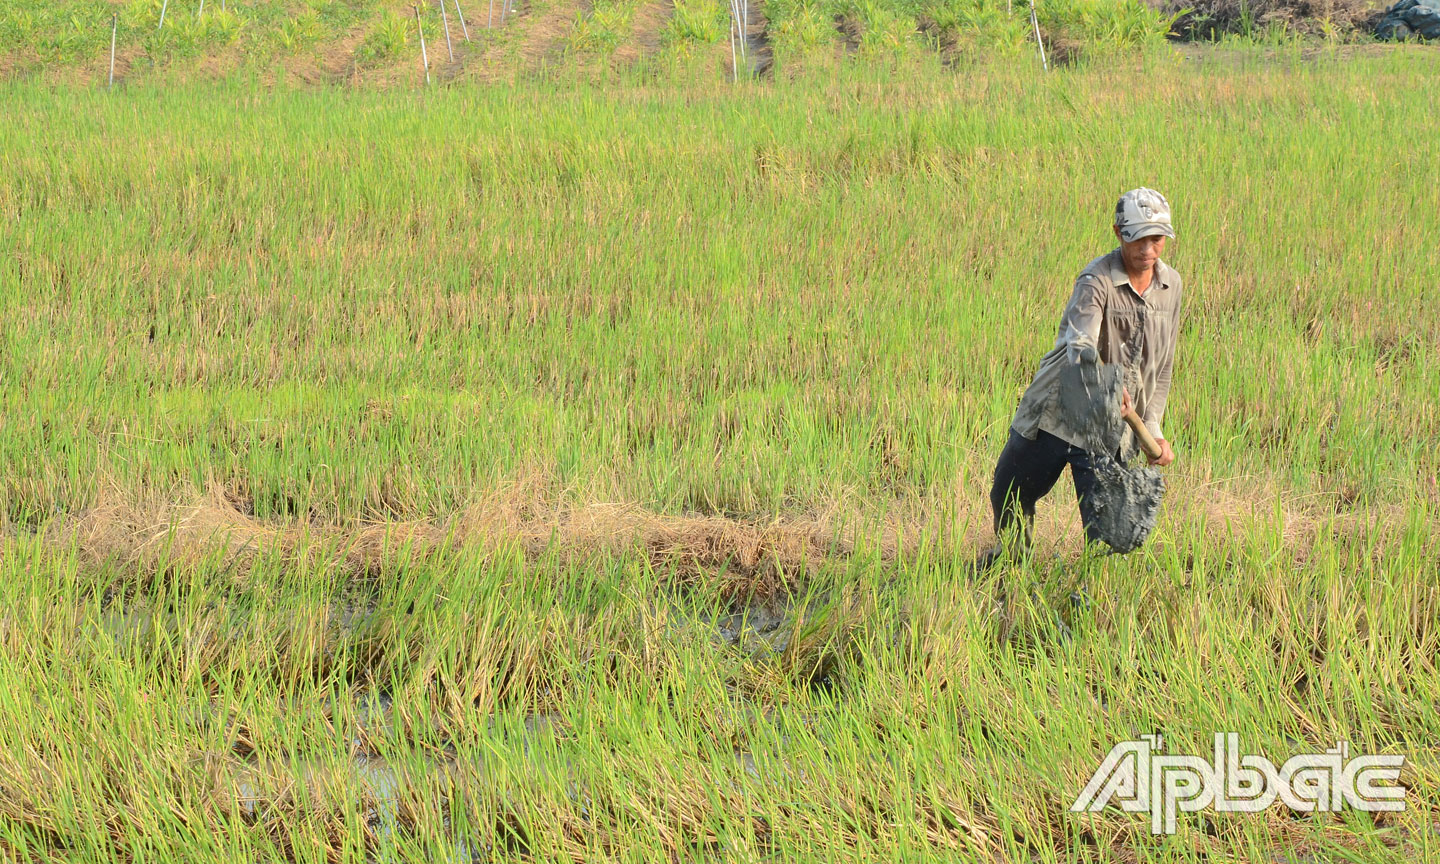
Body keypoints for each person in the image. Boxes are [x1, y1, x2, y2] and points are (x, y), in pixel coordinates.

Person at [977, 188, 1182, 569]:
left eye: (1157, 239)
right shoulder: (1096, 280)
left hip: (1112, 422)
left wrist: (1152, 427)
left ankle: (1092, 593)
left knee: (1108, 526)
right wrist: (1105, 382)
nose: (1149, 249)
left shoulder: (1171, 287)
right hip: (1060, 406)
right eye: (1139, 238)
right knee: (1009, 490)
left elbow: (1162, 364)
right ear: (1119, 233)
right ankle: (1011, 563)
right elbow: (1080, 342)